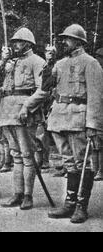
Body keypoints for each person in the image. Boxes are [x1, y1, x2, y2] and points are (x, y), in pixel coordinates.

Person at [46, 24, 103, 223]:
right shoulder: (59, 64)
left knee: (81, 162)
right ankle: (69, 204)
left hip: (79, 118)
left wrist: (93, 125)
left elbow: (96, 97)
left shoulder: (91, 63)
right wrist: (49, 62)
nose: (63, 41)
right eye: (63, 38)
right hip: (59, 118)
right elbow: (45, 86)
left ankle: (81, 206)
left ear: (78, 42)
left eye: (67, 38)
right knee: (69, 162)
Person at [0, 28, 47, 210]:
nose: (14, 44)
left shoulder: (37, 61)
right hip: (7, 110)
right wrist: (2, 62)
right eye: (14, 42)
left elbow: (43, 89)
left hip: (24, 112)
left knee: (26, 154)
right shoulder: (10, 63)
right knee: (15, 154)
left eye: (18, 41)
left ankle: (28, 195)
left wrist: (27, 106)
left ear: (27, 43)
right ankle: (17, 193)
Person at [93, 48, 103, 181]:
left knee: (100, 143)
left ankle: (100, 170)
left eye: (100, 57)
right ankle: (95, 169)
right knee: (95, 142)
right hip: (96, 110)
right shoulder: (95, 72)